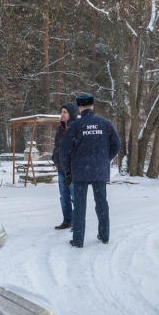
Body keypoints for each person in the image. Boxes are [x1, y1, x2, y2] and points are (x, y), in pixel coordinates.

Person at [60, 94, 120, 248]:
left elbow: (64, 151)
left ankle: (78, 240)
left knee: (80, 205)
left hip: (80, 171)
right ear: (92, 107)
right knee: (102, 203)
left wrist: (68, 171)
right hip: (99, 171)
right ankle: (104, 235)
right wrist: (105, 159)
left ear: (79, 108)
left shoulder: (75, 126)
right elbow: (116, 144)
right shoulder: (105, 123)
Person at [52, 102, 79, 230]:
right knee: (64, 196)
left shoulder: (77, 128)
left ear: (71, 114)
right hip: (61, 168)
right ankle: (67, 221)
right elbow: (57, 148)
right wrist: (56, 160)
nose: (62, 114)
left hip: (73, 169)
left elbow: (77, 149)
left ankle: (77, 222)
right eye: (61, 112)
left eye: (65, 112)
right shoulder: (59, 129)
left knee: (75, 196)